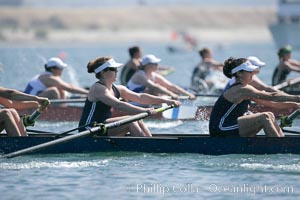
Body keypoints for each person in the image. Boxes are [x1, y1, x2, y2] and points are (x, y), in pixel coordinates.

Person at [78, 56, 180, 137]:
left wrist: (166, 101)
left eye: (116, 69)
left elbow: (140, 97)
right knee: (131, 121)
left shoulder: (118, 89)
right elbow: (118, 104)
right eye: (113, 69)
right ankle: (147, 146)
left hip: (103, 125)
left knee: (136, 119)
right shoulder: (98, 88)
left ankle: (150, 141)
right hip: (89, 130)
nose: (117, 71)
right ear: (103, 72)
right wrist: (143, 111)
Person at [209, 57, 300, 137]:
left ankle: (281, 141)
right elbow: (272, 96)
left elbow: (270, 103)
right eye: (249, 71)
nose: (252, 73)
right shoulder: (241, 90)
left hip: (230, 126)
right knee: (264, 117)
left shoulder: (247, 89)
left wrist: (294, 104)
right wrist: (296, 97)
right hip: (220, 129)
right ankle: (279, 147)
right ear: (239, 73)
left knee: (270, 114)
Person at [127, 54, 196, 100]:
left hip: (142, 101)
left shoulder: (154, 75)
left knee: (165, 90)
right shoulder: (140, 75)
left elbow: (171, 86)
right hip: (131, 102)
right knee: (155, 89)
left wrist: (188, 94)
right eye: (155, 64)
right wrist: (172, 94)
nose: (157, 65)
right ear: (147, 65)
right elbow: (155, 87)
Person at [24, 57, 89, 99]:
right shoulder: (47, 77)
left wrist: (84, 96)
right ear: (52, 69)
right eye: (60, 68)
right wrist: (89, 93)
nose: (62, 70)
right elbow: (70, 88)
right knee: (53, 91)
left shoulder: (48, 76)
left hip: (36, 100)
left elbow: (67, 95)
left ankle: (62, 109)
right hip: (28, 104)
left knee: (61, 90)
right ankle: (59, 111)